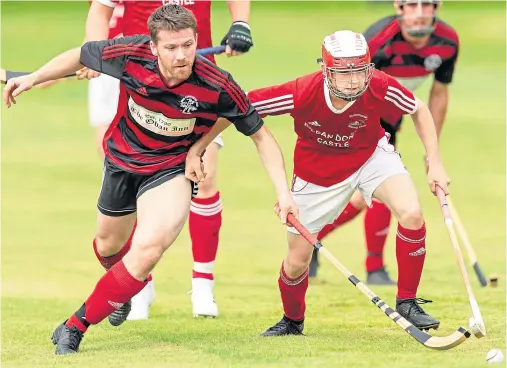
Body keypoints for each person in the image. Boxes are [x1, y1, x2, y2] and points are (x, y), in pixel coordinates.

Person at [3, 4, 296, 354]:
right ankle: (121, 291)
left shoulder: (216, 84)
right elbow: (80, 54)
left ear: (197, 40)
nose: (182, 55)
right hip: (122, 162)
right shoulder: (129, 53)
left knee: (148, 249)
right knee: (108, 246)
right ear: (153, 46)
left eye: (188, 45)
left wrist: (284, 192)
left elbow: (261, 135)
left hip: (171, 170)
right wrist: (32, 78)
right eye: (171, 48)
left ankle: (74, 325)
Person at [246, 30, 450, 336]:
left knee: (411, 212)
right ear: (326, 69)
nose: (353, 80)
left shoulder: (378, 83)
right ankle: (292, 321)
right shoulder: (300, 91)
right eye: (343, 72)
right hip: (316, 174)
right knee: (297, 261)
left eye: (359, 70)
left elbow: (418, 109)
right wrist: (201, 146)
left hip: (370, 156)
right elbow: (239, 106)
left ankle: (407, 302)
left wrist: (434, 161)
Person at [83, 0, 254, 320]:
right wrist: (93, 51)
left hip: (197, 84)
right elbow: (99, 11)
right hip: (138, 83)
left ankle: (203, 284)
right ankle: (140, 284)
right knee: (134, 186)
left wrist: (240, 24)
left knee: (207, 175)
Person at [308, 0, 459, 283]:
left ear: (437, 7)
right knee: (383, 184)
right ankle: (372, 266)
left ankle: (315, 238)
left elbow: (439, 94)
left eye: (427, 5)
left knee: (371, 191)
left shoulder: (448, 41)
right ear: (398, 8)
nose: (419, 12)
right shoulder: (380, 39)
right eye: (411, 5)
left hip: (393, 115)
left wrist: (432, 152)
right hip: (359, 114)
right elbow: (348, 84)